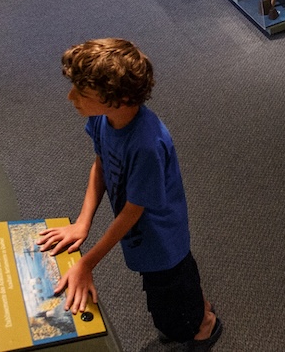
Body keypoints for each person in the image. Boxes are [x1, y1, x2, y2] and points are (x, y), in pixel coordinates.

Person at [38, 38, 224, 350]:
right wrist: (83, 222)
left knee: (169, 301)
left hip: (162, 243)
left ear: (119, 98)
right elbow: (99, 164)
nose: (71, 98)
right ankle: (198, 311)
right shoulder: (103, 120)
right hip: (143, 238)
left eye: (82, 93)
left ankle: (204, 329)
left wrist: (87, 264)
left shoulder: (146, 144)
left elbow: (132, 212)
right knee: (181, 291)